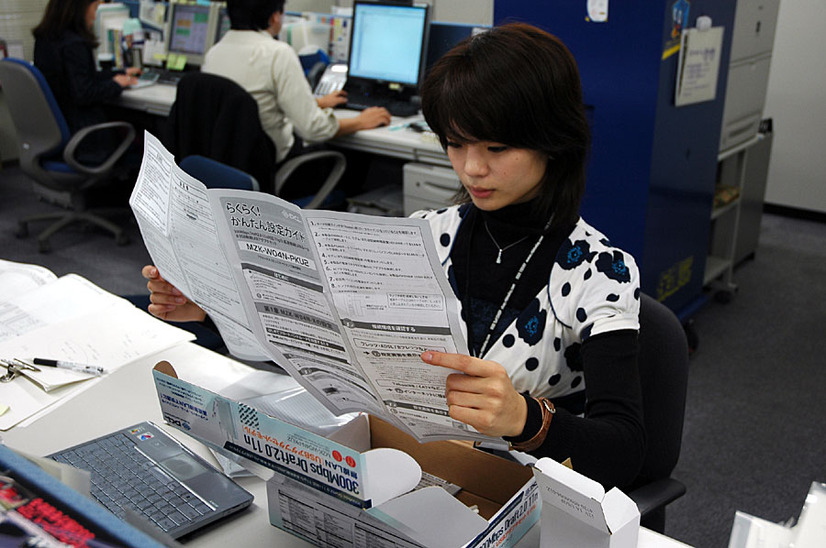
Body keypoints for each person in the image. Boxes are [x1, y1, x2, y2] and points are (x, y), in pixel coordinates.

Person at [142, 23, 645, 490]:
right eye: (455, 143)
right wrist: (212, 308)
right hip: (400, 469)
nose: (471, 169)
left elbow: (626, 450)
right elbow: (323, 337)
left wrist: (525, 419)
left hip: (507, 495)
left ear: (553, 143)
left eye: (496, 148)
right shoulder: (423, 236)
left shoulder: (600, 272)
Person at [202, 0, 391, 166]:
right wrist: (360, 121)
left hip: (229, 165)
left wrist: (315, 103)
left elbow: (253, 104)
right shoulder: (277, 53)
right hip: (271, 168)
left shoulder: (214, 52)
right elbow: (313, 129)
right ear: (275, 17)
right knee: (357, 159)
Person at [32, 0, 140, 136]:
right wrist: (115, 84)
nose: (95, 17)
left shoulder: (45, 38)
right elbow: (84, 93)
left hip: (59, 128)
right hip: (84, 135)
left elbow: (80, 78)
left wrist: (121, 73)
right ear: (79, 9)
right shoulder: (74, 44)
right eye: (94, 9)